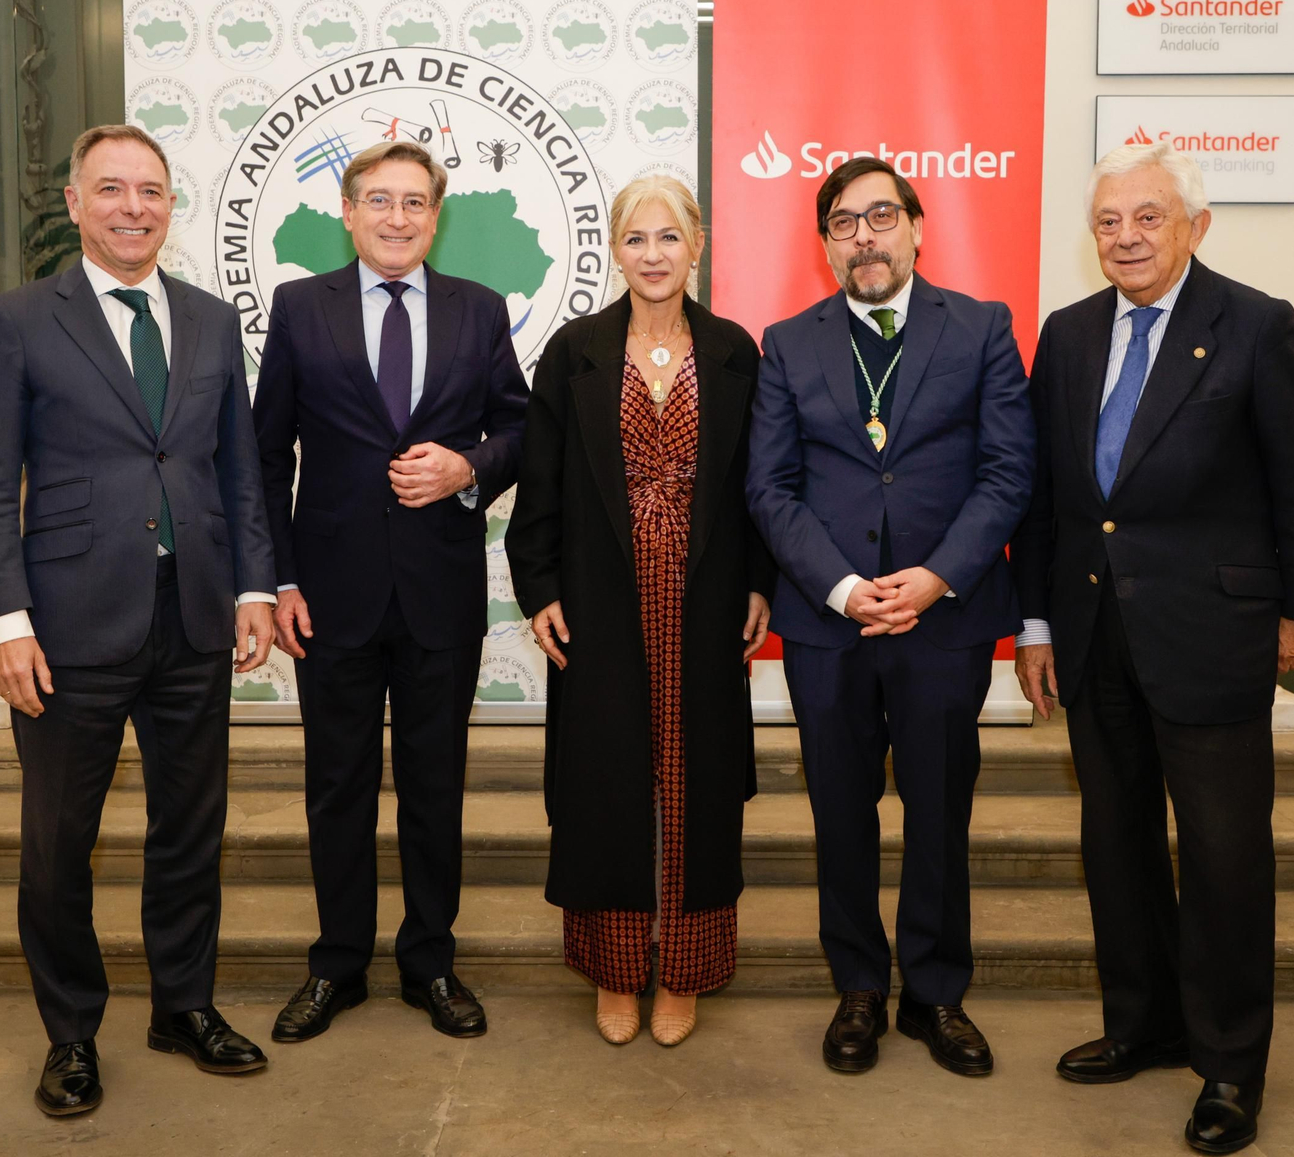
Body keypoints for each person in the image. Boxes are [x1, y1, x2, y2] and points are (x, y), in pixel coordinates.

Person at [1010, 141, 1294, 1155]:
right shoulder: (1066, 336)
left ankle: (1230, 1064)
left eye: (1147, 217)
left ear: (1193, 226)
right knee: (1115, 846)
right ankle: (1142, 1025)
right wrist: (1034, 622)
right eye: (1109, 221)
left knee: (1225, 858)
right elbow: (1049, 500)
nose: (1125, 237)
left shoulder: (1251, 324)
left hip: (1211, 634)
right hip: (1095, 633)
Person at [0, 124, 278, 1116]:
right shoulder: (19, 322)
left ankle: (183, 1004)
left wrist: (253, 589)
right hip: (63, 629)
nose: (132, 206)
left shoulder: (211, 318)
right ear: (74, 203)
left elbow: (237, 467)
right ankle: (70, 1033)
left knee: (192, 829)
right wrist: (3, 615)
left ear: (169, 205)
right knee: (60, 840)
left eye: (149, 189)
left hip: (191, 618)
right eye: (111, 189)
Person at [746, 157, 1034, 1076]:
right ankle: (860, 986)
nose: (863, 236)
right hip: (829, 625)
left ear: (917, 224)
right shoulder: (788, 342)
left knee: (940, 809)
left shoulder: (983, 328)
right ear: (825, 241)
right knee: (840, 809)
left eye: (880, 216)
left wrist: (936, 577)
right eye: (843, 222)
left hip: (944, 620)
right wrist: (840, 586)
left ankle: (937, 993)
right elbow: (769, 484)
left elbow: (1007, 473)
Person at [252, 140, 527, 1045]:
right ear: (347, 209)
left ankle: (430, 961)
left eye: (415, 202)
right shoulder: (299, 308)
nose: (397, 217)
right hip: (328, 594)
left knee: (434, 785)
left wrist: (467, 465)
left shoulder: (479, 310)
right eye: (379, 200)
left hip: (441, 591)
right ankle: (336, 965)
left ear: (436, 216)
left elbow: (521, 428)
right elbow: (266, 454)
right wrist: (278, 577)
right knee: (336, 786)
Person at [505, 175, 773, 1046]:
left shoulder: (736, 353)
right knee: (605, 786)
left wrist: (763, 580)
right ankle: (617, 969)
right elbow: (537, 487)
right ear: (614, 250)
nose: (653, 255)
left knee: (696, 789)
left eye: (669, 238)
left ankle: (687, 969)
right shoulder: (574, 351)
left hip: (705, 604)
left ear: (696, 245)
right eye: (636, 239)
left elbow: (763, 488)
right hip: (599, 603)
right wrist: (539, 588)